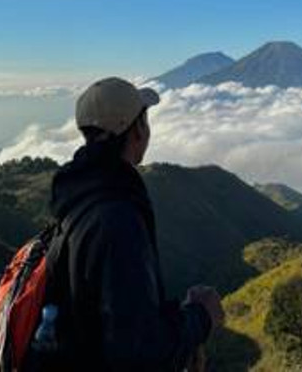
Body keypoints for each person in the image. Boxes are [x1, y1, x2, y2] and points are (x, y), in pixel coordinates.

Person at [47, 76, 224, 371]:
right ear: (137, 130)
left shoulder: (76, 200)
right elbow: (139, 353)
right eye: (145, 120)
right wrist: (200, 316)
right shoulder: (117, 220)